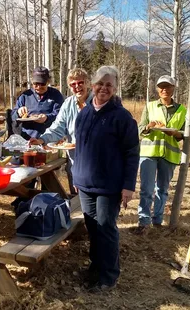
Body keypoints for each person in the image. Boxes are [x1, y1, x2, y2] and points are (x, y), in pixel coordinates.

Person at [72, 66, 140, 292]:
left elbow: (132, 152)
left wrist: (128, 186)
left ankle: (109, 276)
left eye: (109, 85)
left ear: (115, 88)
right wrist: (76, 176)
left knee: (105, 227)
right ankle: (96, 267)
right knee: (92, 228)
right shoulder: (84, 113)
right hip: (85, 184)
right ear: (92, 86)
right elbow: (79, 148)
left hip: (109, 186)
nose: (103, 88)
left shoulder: (122, 117)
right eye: (100, 84)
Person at [29, 68, 92, 195]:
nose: (77, 87)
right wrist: (41, 139)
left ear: (87, 83)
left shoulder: (98, 103)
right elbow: (57, 128)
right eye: (73, 84)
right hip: (75, 162)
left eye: (80, 83)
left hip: (95, 162)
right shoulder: (68, 104)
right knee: (77, 201)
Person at [137, 75, 186, 233]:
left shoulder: (182, 110)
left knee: (162, 189)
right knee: (146, 188)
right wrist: (149, 127)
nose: (164, 89)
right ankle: (144, 221)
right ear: (157, 89)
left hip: (169, 155)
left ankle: (157, 220)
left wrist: (175, 134)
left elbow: (184, 134)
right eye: (161, 86)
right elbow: (140, 129)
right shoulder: (150, 106)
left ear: (173, 88)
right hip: (149, 152)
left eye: (167, 86)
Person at [11, 66, 64, 140]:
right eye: (36, 83)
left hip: (49, 137)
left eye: (42, 83)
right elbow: (12, 117)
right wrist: (18, 112)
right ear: (32, 82)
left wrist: (47, 118)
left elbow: (61, 115)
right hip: (27, 138)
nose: (39, 87)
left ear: (48, 82)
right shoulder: (25, 96)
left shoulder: (56, 95)